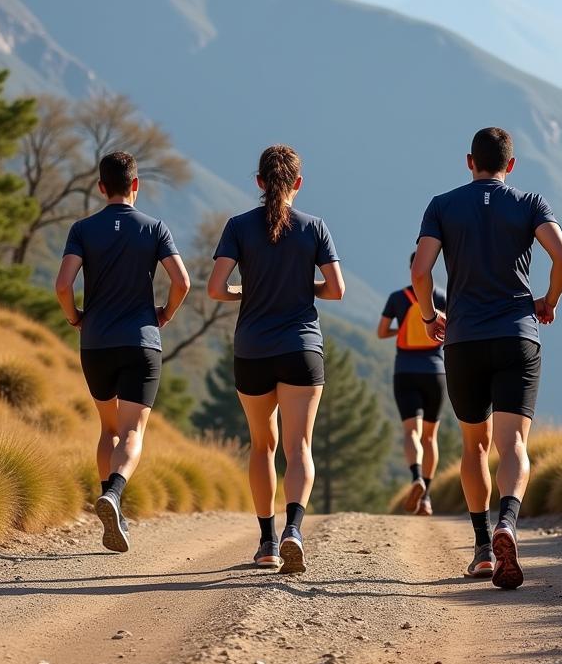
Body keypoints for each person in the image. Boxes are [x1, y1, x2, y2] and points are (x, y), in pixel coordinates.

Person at [411, 127, 562, 588]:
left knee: (474, 445)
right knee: (514, 446)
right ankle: (508, 522)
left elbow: (420, 270)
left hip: (463, 340)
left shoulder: (442, 205)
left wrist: (428, 316)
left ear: (469, 162)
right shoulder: (530, 203)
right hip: (517, 336)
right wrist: (549, 301)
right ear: (512, 165)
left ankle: (483, 548)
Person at [208, 145, 344, 575]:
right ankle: (294, 532)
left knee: (262, 446)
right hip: (302, 348)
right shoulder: (315, 227)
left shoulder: (238, 226)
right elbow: (337, 289)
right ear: (298, 184)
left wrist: (243, 293)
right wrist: (305, 286)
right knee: (297, 445)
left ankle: (267, 543)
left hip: (253, 350)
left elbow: (215, 287)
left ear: (260, 182)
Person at [55, 151, 191, 553]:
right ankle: (114, 494)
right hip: (141, 342)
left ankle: (106, 498)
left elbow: (63, 285)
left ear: (101, 187)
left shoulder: (83, 229)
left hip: (96, 342)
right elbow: (181, 281)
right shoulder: (155, 229)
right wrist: (164, 313)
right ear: (136, 185)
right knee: (132, 431)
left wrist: (75, 317)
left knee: (108, 429)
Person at [377, 253, 447, 516]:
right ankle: (426, 497)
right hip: (435, 372)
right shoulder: (442, 298)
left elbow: (381, 332)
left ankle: (415, 476)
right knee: (430, 436)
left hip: (405, 371)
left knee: (411, 433)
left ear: (412, 270)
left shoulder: (397, 299)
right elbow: (455, 328)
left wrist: (402, 331)